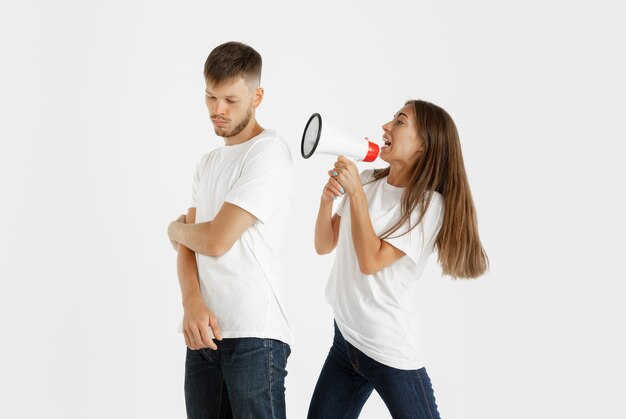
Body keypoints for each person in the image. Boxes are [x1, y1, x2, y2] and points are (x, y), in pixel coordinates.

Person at [307, 99, 488, 418]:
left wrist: (357, 195)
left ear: (423, 145)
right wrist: (326, 200)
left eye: (400, 122)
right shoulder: (367, 181)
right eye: (392, 119)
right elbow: (324, 244)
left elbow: (370, 261)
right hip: (346, 342)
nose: (386, 127)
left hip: (388, 348)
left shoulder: (429, 206)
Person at [167, 41, 293, 419]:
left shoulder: (268, 151)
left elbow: (215, 240)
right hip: (203, 334)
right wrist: (192, 304)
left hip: (254, 335)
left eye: (230, 100)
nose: (217, 110)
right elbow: (190, 247)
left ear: (257, 96)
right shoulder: (206, 164)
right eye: (210, 97)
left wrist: (175, 229)